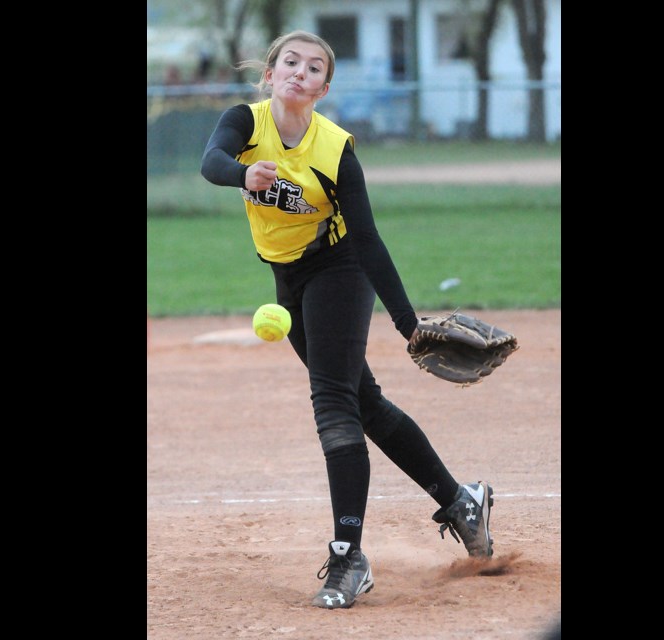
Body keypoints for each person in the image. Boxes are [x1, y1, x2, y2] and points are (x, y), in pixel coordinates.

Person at [200, 30, 494, 610]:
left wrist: (408, 322)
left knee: (333, 404)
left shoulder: (335, 150)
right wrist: (243, 174)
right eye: (290, 62)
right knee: (365, 403)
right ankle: (461, 500)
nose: (299, 72)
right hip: (288, 278)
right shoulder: (246, 122)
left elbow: (366, 238)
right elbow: (211, 161)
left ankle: (348, 557)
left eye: (314, 68)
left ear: (323, 88)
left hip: (339, 267)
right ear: (271, 73)